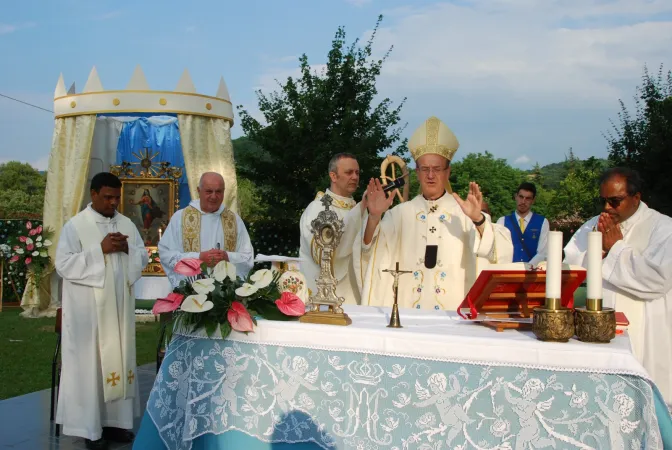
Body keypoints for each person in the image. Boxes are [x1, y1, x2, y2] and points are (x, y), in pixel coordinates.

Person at [356, 116, 512, 310]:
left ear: (448, 171)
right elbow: (370, 251)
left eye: (437, 169)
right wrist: (374, 216)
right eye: (425, 169)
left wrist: (478, 220)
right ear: (417, 172)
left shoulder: (464, 215)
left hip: (453, 316)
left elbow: (500, 252)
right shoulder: (399, 215)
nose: (430, 176)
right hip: (406, 314)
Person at [564, 167, 672, 407]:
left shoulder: (663, 228)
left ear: (636, 197)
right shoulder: (593, 225)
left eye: (615, 201)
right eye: (603, 201)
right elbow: (570, 267)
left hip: (646, 333)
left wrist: (615, 249)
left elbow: (657, 280)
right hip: (598, 328)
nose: (607, 208)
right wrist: (599, 250)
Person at [55, 172, 148, 449]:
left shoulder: (127, 224)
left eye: (117, 198)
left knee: (119, 360)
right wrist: (100, 250)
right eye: (107, 197)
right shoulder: (76, 226)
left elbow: (142, 256)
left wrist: (129, 249)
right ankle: (90, 428)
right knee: (92, 368)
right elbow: (64, 264)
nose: (113, 203)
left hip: (118, 313)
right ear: (93, 194)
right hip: (89, 316)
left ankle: (116, 425)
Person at [159, 172, 254, 287]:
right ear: (199, 191)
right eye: (209, 191)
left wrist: (227, 256)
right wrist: (198, 258)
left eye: (218, 191)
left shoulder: (234, 220)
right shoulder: (180, 218)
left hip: (225, 294)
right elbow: (166, 254)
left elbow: (248, 257)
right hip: (191, 292)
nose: (214, 196)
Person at [299, 153, 366, 304]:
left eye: (357, 173)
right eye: (349, 172)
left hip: (354, 295)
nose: (355, 177)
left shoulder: (358, 208)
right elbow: (324, 256)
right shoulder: (318, 209)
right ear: (333, 176)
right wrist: (362, 208)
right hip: (323, 298)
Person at [497, 182, 549, 265]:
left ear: (533, 200)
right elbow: (499, 251)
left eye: (528, 198)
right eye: (521, 197)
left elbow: (543, 252)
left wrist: (527, 269)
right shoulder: (502, 221)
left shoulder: (543, 222)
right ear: (516, 197)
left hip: (532, 273)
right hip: (508, 272)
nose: (523, 201)